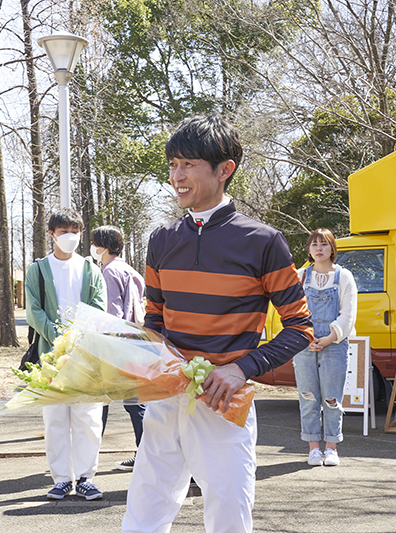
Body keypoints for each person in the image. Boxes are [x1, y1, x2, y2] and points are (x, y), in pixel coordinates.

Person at [122, 115, 313, 533]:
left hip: (224, 402)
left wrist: (240, 369)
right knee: (145, 508)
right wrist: (142, 358)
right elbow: (155, 318)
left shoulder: (263, 241)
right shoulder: (161, 239)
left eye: (188, 164)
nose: (177, 176)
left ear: (225, 169)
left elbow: (300, 327)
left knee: (229, 515)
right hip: (166, 398)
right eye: (173, 165)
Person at [25, 208, 107, 500]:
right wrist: (58, 339)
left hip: (86, 356)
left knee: (88, 419)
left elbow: (99, 307)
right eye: (64, 232)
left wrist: (76, 340)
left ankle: (86, 477)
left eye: (75, 232)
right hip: (50, 359)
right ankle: (61, 479)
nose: (70, 237)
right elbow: (33, 310)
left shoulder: (90, 269)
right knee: (55, 420)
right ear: (52, 234)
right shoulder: (37, 269)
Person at [293, 229, 357, 467]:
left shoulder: (344, 276)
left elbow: (348, 314)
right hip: (304, 345)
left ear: (332, 248)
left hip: (335, 344)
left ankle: (331, 448)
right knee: (308, 397)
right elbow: (291, 311)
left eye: (324, 244)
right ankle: (313, 448)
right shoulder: (300, 276)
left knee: (332, 398)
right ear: (309, 250)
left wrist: (330, 337)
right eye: (314, 244)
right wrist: (306, 336)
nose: (319, 249)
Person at [91, 225, 147, 471]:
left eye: (95, 244)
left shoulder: (109, 272)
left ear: (103, 247)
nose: (93, 248)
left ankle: (87, 455)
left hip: (115, 345)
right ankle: (145, 453)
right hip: (135, 343)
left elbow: (111, 314)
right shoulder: (130, 270)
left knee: (99, 402)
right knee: (135, 404)